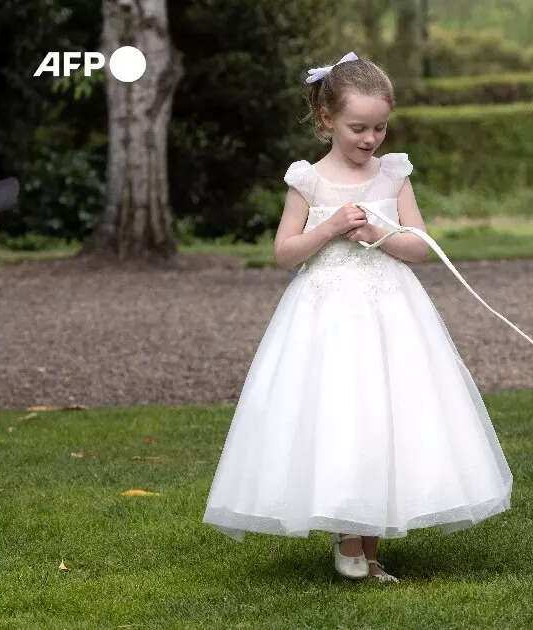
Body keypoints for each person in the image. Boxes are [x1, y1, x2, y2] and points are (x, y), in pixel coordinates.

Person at [202, 52, 513, 583]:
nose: (370, 139)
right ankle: (350, 540)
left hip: (392, 311)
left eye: (379, 127)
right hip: (327, 316)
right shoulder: (309, 181)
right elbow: (284, 252)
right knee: (342, 414)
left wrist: (380, 233)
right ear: (327, 120)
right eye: (358, 128)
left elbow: (419, 245)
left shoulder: (394, 175)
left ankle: (368, 546)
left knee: (388, 415)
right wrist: (329, 228)